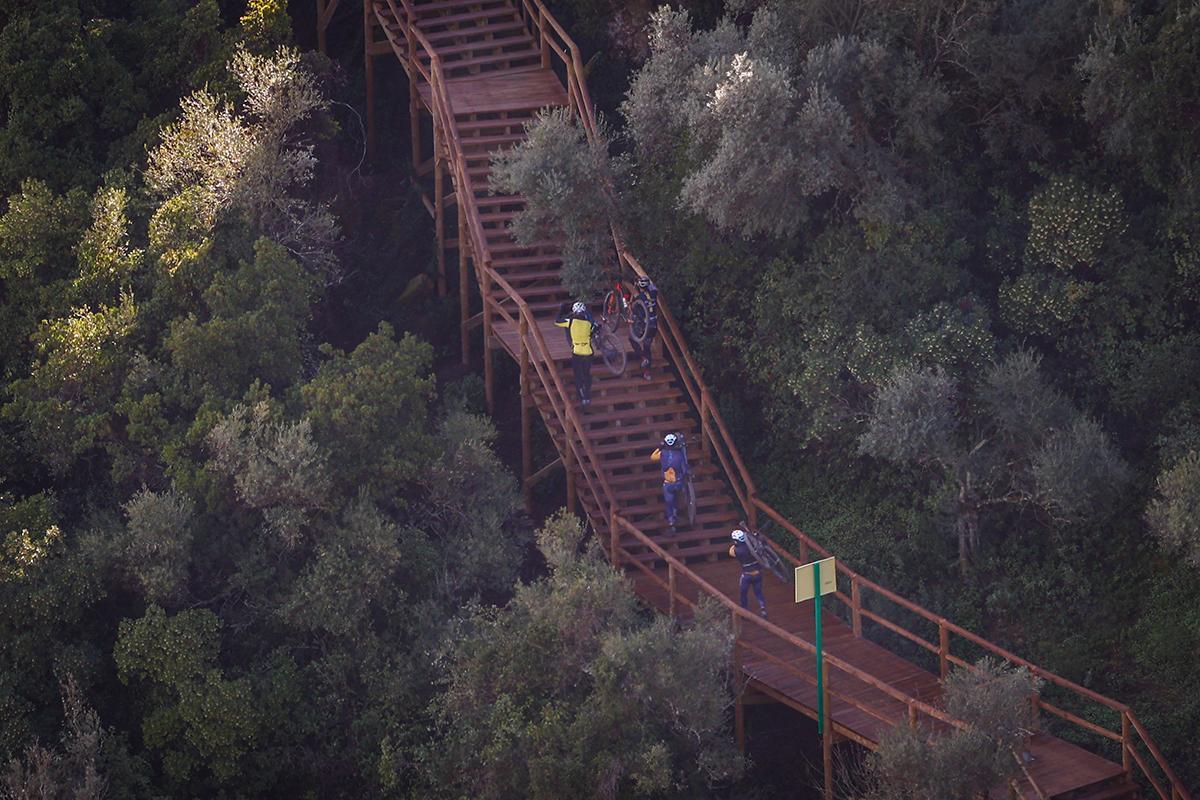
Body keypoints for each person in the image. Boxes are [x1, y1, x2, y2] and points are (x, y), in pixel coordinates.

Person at [555, 300, 595, 406]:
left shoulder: (571, 321)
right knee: (586, 374)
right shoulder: (588, 323)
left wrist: (561, 309)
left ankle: (582, 397)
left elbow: (557, 321)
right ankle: (587, 395)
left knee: (578, 375)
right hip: (588, 351)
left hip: (577, 351)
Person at [650, 432, 689, 533]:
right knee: (679, 497)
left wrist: (659, 447)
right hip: (679, 482)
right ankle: (679, 513)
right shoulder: (680, 454)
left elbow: (652, 457)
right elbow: (685, 468)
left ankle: (671, 520)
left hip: (668, 483)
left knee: (669, 502)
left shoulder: (662, 453)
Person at [729, 529, 768, 618]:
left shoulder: (737, 551)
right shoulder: (752, 545)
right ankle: (763, 608)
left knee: (743, 593)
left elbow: (731, 551)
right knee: (758, 592)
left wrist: (735, 544)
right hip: (758, 573)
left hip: (747, 575)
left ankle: (744, 611)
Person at [629, 275, 659, 382]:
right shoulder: (654, 293)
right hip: (654, 326)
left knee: (632, 339)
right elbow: (653, 286)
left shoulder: (639, 299)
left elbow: (636, 313)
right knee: (647, 347)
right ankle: (647, 373)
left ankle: (643, 358)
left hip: (645, 327)